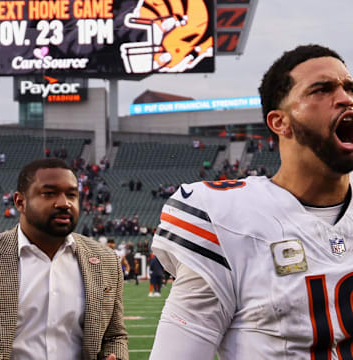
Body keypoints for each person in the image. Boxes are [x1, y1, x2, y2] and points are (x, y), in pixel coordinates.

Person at [149, 44, 353, 359]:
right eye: (322, 89)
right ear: (280, 122)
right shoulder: (225, 218)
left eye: (349, 87)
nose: (345, 98)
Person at [0, 158, 128, 360]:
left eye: (71, 195)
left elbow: (114, 335)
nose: (64, 203)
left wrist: (114, 355)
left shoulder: (105, 260)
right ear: (20, 202)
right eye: (49, 194)